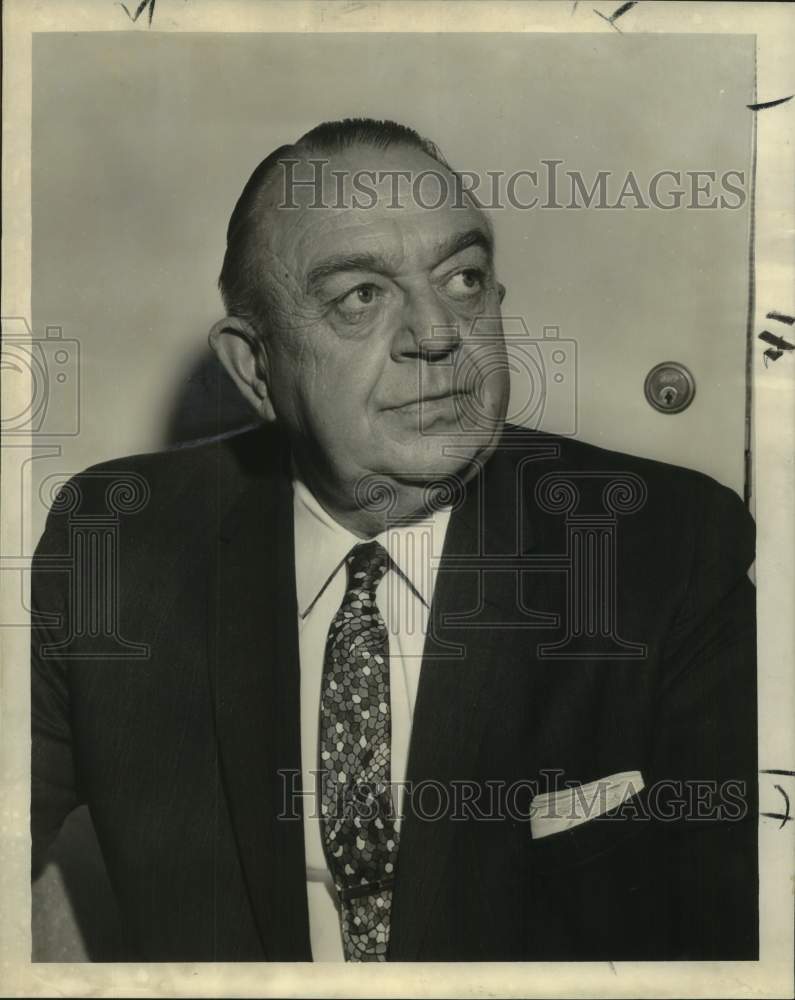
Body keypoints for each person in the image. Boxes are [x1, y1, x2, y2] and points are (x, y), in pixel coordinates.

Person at [31, 118, 757, 962]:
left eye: (463, 278)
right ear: (254, 369)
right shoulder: (118, 540)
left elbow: (746, 927)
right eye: (360, 296)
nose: (438, 333)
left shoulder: (660, 545)